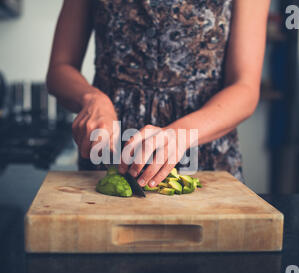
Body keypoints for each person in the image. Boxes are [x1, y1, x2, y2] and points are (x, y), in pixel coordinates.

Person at [47, 0, 270, 188]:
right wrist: (93, 99)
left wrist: (180, 135)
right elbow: (60, 68)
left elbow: (245, 88)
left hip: (206, 156)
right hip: (110, 157)